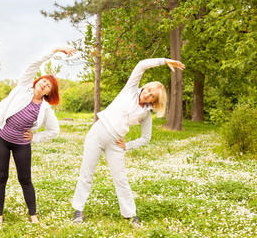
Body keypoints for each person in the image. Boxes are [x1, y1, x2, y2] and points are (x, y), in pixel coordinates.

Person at [72, 57, 185, 226]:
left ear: (154, 101)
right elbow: (141, 65)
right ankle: (78, 211)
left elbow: (146, 138)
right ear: (145, 87)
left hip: (115, 142)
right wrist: (164, 61)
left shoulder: (146, 113)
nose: (146, 94)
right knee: (86, 173)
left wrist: (127, 146)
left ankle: (131, 215)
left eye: (151, 96)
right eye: (148, 90)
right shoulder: (130, 89)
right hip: (98, 132)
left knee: (121, 179)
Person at [0, 46, 76, 224]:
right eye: (44, 81)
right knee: (1, 177)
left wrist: (35, 137)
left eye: (48, 86)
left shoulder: (45, 109)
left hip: (21, 145)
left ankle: (33, 215)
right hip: (1, 138)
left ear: (48, 93)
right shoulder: (24, 87)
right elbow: (34, 64)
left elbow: (54, 131)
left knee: (25, 179)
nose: (45, 84)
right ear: (38, 81)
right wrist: (55, 50)